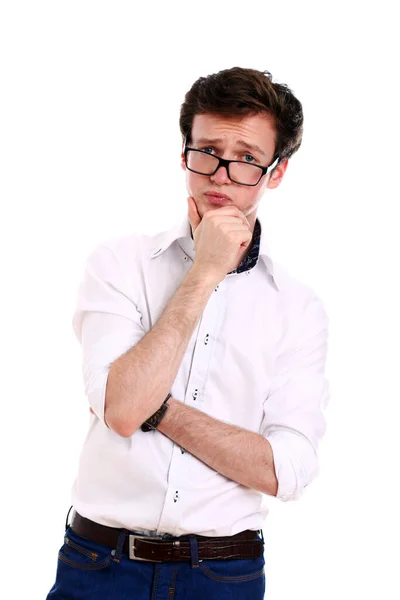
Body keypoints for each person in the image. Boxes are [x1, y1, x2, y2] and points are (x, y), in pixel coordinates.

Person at [46, 66, 330, 599]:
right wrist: (204, 273)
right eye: (208, 151)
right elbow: (122, 408)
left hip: (223, 575)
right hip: (99, 565)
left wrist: (158, 408)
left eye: (247, 158)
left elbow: (286, 469)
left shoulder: (297, 307)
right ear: (184, 155)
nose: (222, 174)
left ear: (277, 172)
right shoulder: (120, 264)